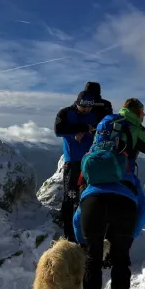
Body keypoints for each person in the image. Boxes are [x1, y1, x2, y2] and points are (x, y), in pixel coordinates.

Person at [73, 98, 145, 289]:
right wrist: (131, 235)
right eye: (144, 113)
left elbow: (77, 216)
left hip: (91, 199)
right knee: (120, 260)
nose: (144, 117)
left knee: (93, 261)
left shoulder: (106, 125)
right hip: (124, 198)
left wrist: (82, 239)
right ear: (138, 112)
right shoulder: (133, 127)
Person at [54, 91, 99, 241]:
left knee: (87, 194)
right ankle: (68, 233)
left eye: (89, 107)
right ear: (77, 102)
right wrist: (81, 129)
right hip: (73, 161)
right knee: (70, 195)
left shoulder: (94, 115)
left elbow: (99, 130)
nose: (86, 110)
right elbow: (58, 130)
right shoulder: (65, 113)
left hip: (89, 159)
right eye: (83, 106)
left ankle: (84, 228)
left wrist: (88, 131)